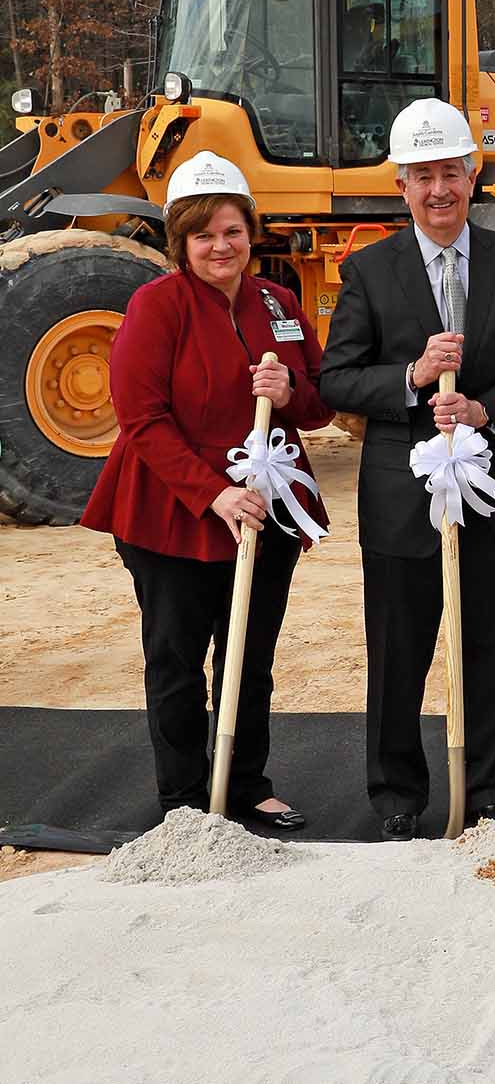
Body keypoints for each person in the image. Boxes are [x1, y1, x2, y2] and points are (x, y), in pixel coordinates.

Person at [320, 98, 495, 842]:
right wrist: (412, 376)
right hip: (403, 500)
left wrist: (488, 411)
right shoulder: (368, 271)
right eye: (422, 176)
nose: (438, 190)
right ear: (402, 185)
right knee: (399, 654)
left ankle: (486, 790)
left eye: (450, 173)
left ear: (473, 174)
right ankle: (397, 794)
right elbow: (338, 377)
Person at [81, 150, 332, 828]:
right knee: (177, 662)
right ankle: (186, 799)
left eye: (232, 230)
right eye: (204, 234)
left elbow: (319, 405)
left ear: (252, 231)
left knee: (249, 656)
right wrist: (214, 494)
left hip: (266, 508)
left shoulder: (278, 304)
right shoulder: (156, 306)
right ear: (181, 242)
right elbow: (141, 420)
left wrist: (292, 391)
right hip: (173, 513)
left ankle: (246, 782)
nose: (221, 246)